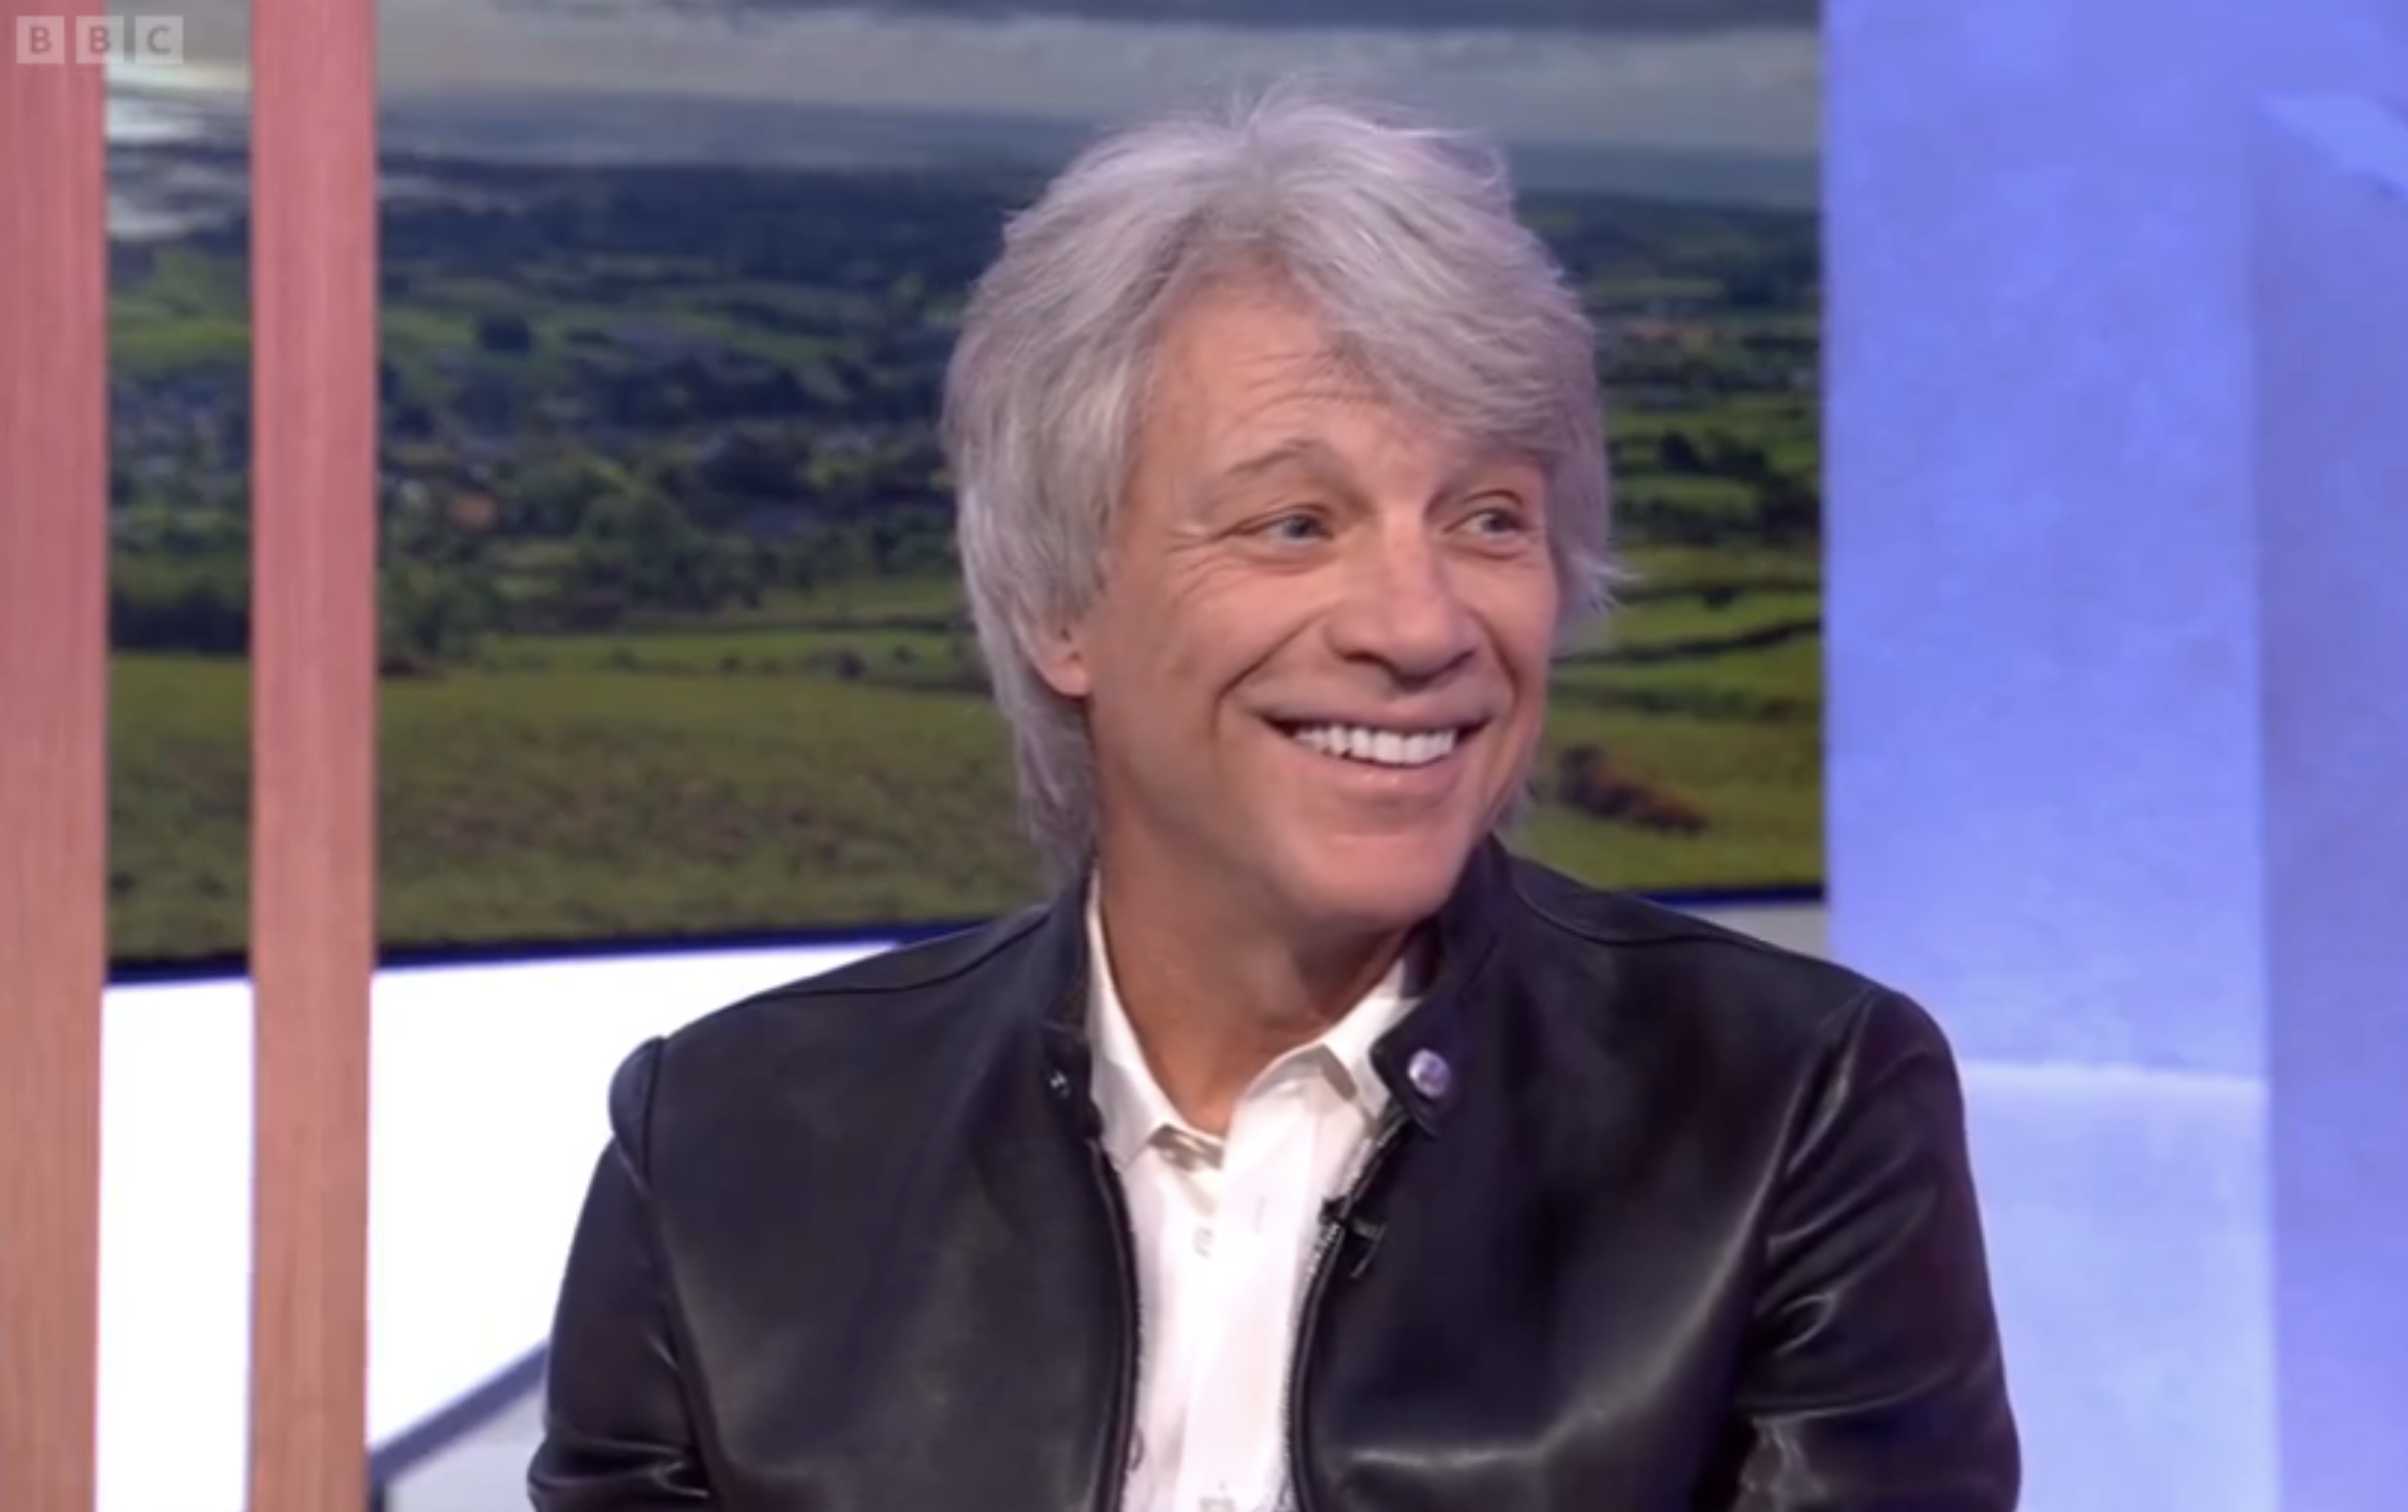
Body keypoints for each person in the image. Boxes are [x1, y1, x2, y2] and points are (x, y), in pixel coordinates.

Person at [528, 81, 2021, 1512]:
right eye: (1296, 523)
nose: (1421, 625)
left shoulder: (1794, 1115)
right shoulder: (723, 1155)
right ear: (1061, 603)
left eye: (1489, 518)